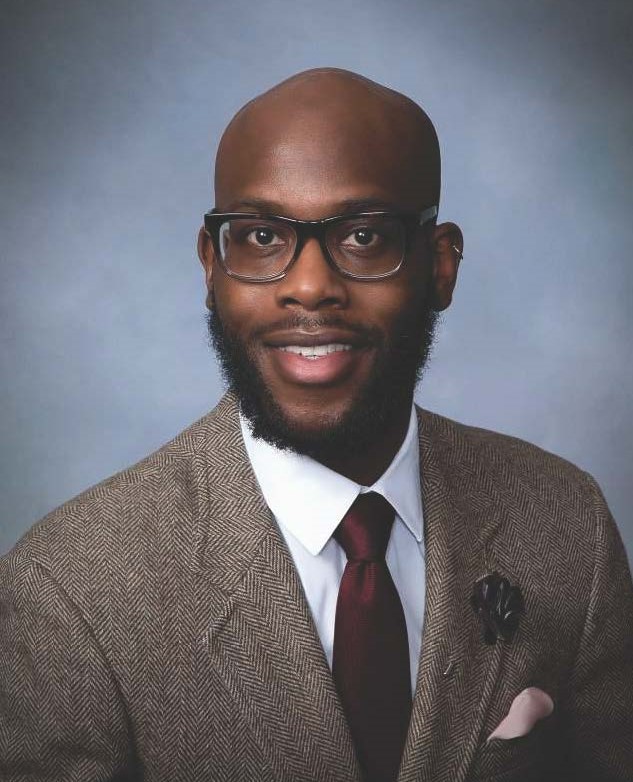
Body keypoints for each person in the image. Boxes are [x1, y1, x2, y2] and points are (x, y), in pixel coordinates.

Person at [1, 68, 631, 782]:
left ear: (439, 266)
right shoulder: (70, 590)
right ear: (212, 268)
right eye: (261, 235)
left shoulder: (564, 522)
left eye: (363, 235)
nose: (308, 285)